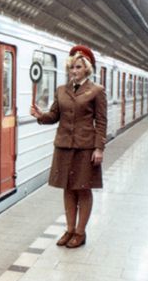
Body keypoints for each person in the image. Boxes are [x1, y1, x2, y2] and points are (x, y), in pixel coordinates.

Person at [30, 45, 107, 248]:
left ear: (87, 69)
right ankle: (69, 229)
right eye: (72, 67)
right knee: (68, 188)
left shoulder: (96, 91)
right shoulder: (61, 90)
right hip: (64, 146)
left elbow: (101, 122)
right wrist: (41, 116)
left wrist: (99, 148)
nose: (74, 71)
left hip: (85, 147)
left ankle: (80, 233)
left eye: (78, 67)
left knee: (83, 189)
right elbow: (55, 116)